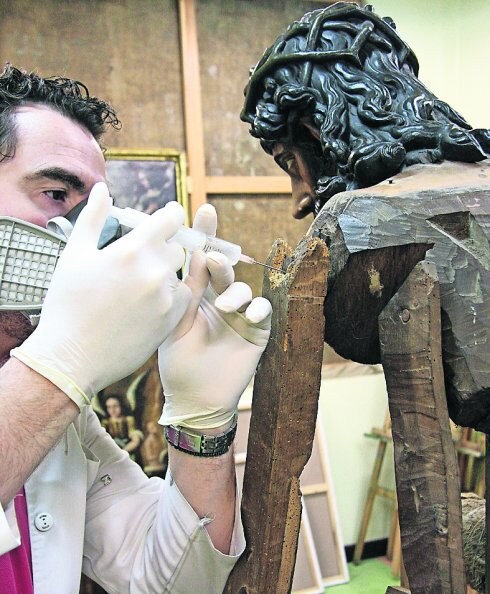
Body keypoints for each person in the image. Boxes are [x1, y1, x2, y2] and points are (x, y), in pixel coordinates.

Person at [0, 63, 272, 593]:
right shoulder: (54, 388)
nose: (90, 239)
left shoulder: (64, 423)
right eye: (56, 195)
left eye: (95, 211)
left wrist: (202, 422)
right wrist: (63, 365)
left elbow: (171, 582)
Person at [240, 2, 490, 432]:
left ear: (318, 129)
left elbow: (350, 331)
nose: (300, 199)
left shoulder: (353, 226)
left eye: (288, 164)